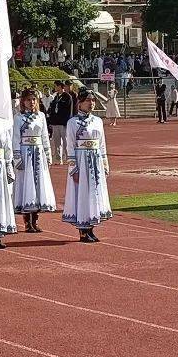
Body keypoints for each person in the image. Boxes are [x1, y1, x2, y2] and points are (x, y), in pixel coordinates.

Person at [63, 88, 112, 243]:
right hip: (81, 161)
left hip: (95, 161)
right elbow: (70, 146)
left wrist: (105, 164)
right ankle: (83, 230)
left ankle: (91, 227)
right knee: (82, 193)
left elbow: (102, 144)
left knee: (94, 193)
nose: (91, 103)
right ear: (80, 103)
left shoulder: (98, 121)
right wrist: (73, 168)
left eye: (93, 100)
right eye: (88, 100)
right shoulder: (72, 122)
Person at [13, 88, 56, 232]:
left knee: (38, 186)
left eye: (34, 99)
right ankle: (27, 221)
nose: (31, 102)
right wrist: (17, 157)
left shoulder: (41, 116)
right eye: (28, 100)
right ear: (23, 101)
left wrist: (48, 154)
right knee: (26, 185)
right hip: (25, 153)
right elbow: (15, 138)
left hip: (38, 154)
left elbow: (44, 136)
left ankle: (35, 220)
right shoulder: (18, 118)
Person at [46, 81, 74, 164]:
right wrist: (51, 121)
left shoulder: (67, 97)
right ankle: (58, 159)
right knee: (56, 142)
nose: (55, 88)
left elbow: (69, 111)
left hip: (63, 123)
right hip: (55, 122)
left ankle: (68, 158)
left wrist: (67, 122)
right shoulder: (56, 97)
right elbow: (52, 109)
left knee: (66, 141)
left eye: (56, 86)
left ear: (60, 86)